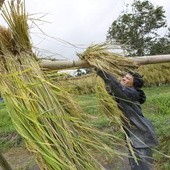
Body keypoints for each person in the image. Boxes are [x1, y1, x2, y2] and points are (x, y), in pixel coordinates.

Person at [96, 69, 158, 170]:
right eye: (124, 77)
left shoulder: (131, 93)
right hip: (134, 136)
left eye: (128, 78)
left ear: (133, 85)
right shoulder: (125, 95)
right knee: (135, 165)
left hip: (141, 136)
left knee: (141, 166)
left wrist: (102, 71)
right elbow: (112, 90)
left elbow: (116, 87)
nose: (124, 78)